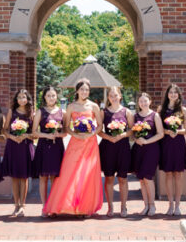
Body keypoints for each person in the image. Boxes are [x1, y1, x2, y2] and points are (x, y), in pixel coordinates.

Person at [43, 78, 102, 217]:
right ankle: (62, 205)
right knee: (69, 172)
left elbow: (99, 125)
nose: (84, 92)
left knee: (87, 174)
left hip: (90, 143)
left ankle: (85, 207)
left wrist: (91, 134)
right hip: (75, 142)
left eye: (87, 90)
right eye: (82, 89)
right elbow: (66, 126)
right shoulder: (71, 106)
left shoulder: (94, 106)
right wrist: (75, 134)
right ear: (77, 90)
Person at [99, 84, 133, 217]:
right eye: (111, 95)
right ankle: (110, 207)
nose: (113, 98)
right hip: (108, 147)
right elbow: (99, 131)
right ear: (108, 97)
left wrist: (122, 135)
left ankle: (123, 207)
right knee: (109, 178)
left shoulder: (126, 112)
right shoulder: (104, 112)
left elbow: (132, 130)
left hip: (123, 147)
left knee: (123, 178)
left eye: (116, 95)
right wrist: (109, 137)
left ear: (120, 96)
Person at [2, 88, 35, 216]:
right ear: (16, 99)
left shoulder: (31, 112)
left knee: (24, 177)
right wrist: (12, 137)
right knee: (15, 177)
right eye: (19, 97)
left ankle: (23, 205)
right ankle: (16, 205)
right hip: (13, 145)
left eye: (24, 97)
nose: (22, 99)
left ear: (28, 99)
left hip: (26, 146)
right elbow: (5, 130)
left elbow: (34, 133)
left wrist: (25, 136)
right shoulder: (12, 112)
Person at [158, 83, 186, 216]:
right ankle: (170, 204)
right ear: (167, 94)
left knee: (178, 174)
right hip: (166, 144)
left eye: (175, 92)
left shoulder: (183, 110)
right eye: (170, 92)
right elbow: (158, 129)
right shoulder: (161, 109)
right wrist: (167, 131)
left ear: (178, 95)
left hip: (179, 144)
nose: (173, 94)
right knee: (168, 174)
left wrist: (178, 132)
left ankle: (178, 205)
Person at [130, 91, 163, 216]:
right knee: (141, 179)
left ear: (150, 102)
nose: (143, 103)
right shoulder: (136, 116)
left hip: (151, 149)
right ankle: (145, 205)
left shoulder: (155, 115)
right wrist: (136, 139)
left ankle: (152, 205)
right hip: (139, 150)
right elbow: (132, 134)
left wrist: (147, 141)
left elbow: (160, 134)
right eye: (141, 101)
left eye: (145, 101)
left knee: (148, 177)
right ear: (138, 103)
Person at [32, 85, 65, 204]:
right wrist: (47, 135)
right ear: (44, 97)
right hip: (44, 147)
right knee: (43, 177)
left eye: (53, 95)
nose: (51, 98)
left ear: (57, 97)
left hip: (57, 147)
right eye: (48, 96)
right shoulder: (40, 112)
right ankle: (44, 206)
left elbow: (66, 132)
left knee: (55, 177)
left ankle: (54, 204)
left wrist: (58, 135)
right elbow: (34, 132)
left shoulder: (62, 112)